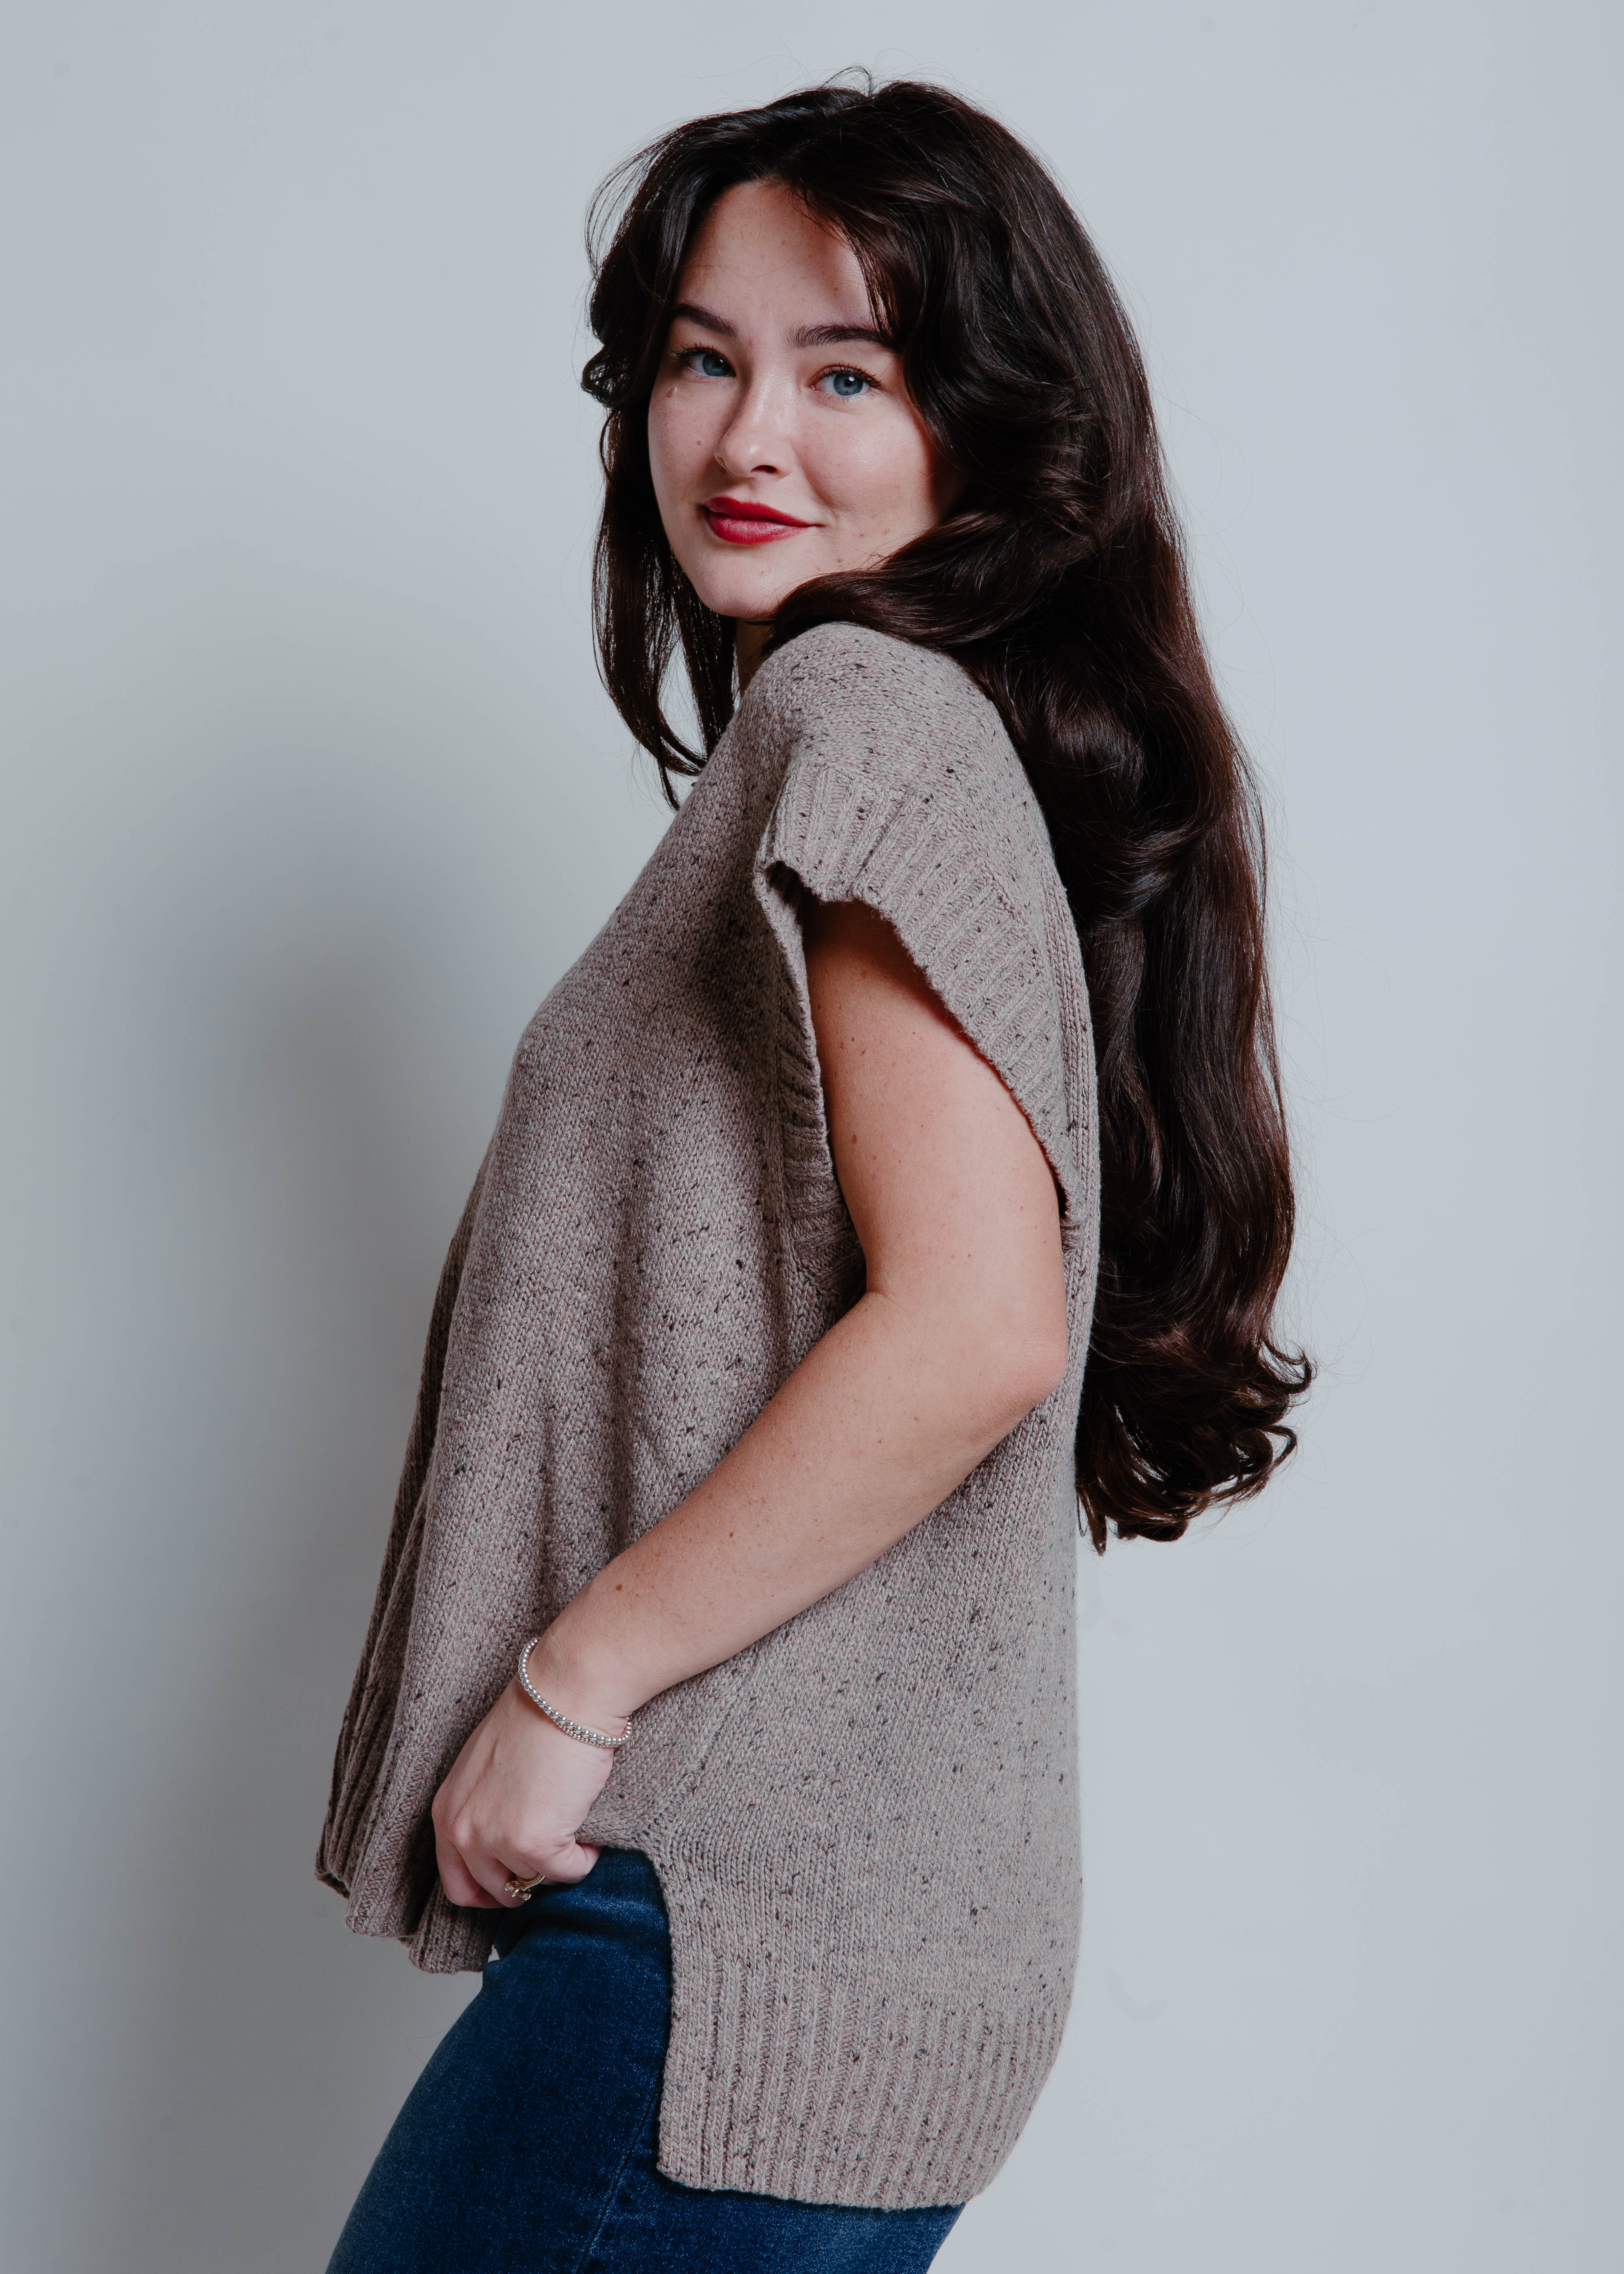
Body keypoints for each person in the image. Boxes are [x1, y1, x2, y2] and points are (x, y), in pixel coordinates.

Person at [318, 77, 1309, 2273]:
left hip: (730, 1931)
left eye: (845, 373)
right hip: (833, 1936)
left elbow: (973, 1323)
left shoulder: (861, 717)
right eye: (704, 358)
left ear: (990, 429)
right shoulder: (915, 737)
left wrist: (568, 1686)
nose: (749, 436)